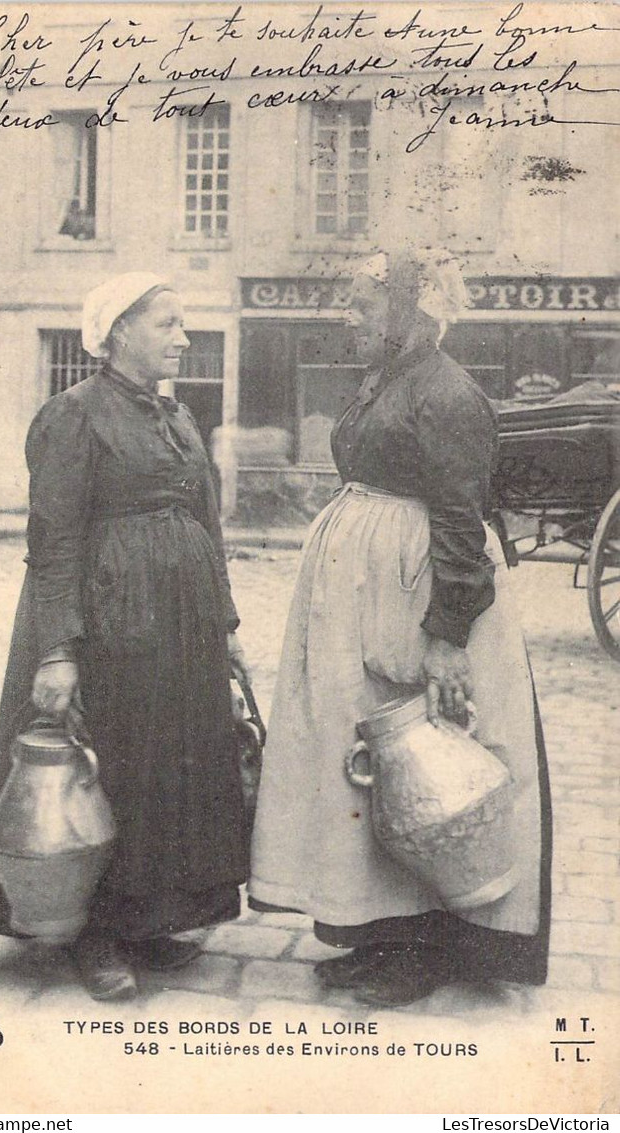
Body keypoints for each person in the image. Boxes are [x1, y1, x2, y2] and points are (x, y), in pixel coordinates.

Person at [249, 248, 552, 1008]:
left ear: (410, 313)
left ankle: (430, 947)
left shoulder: (448, 395)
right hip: (365, 592)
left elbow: (460, 520)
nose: (349, 318)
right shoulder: (389, 381)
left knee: (424, 762)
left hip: (417, 596)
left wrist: (446, 636)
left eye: (361, 306)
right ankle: (381, 932)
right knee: (369, 760)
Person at [0, 272, 251, 1002]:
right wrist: (58, 649)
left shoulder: (178, 418)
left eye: (183, 325)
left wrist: (225, 624)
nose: (183, 339)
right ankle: (97, 933)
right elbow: (52, 539)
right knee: (112, 765)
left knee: (167, 770)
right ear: (118, 330)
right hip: (110, 620)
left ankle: (152, 917)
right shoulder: (73, 416)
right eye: (168, 325)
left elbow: (209, 529)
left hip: (180, 624)